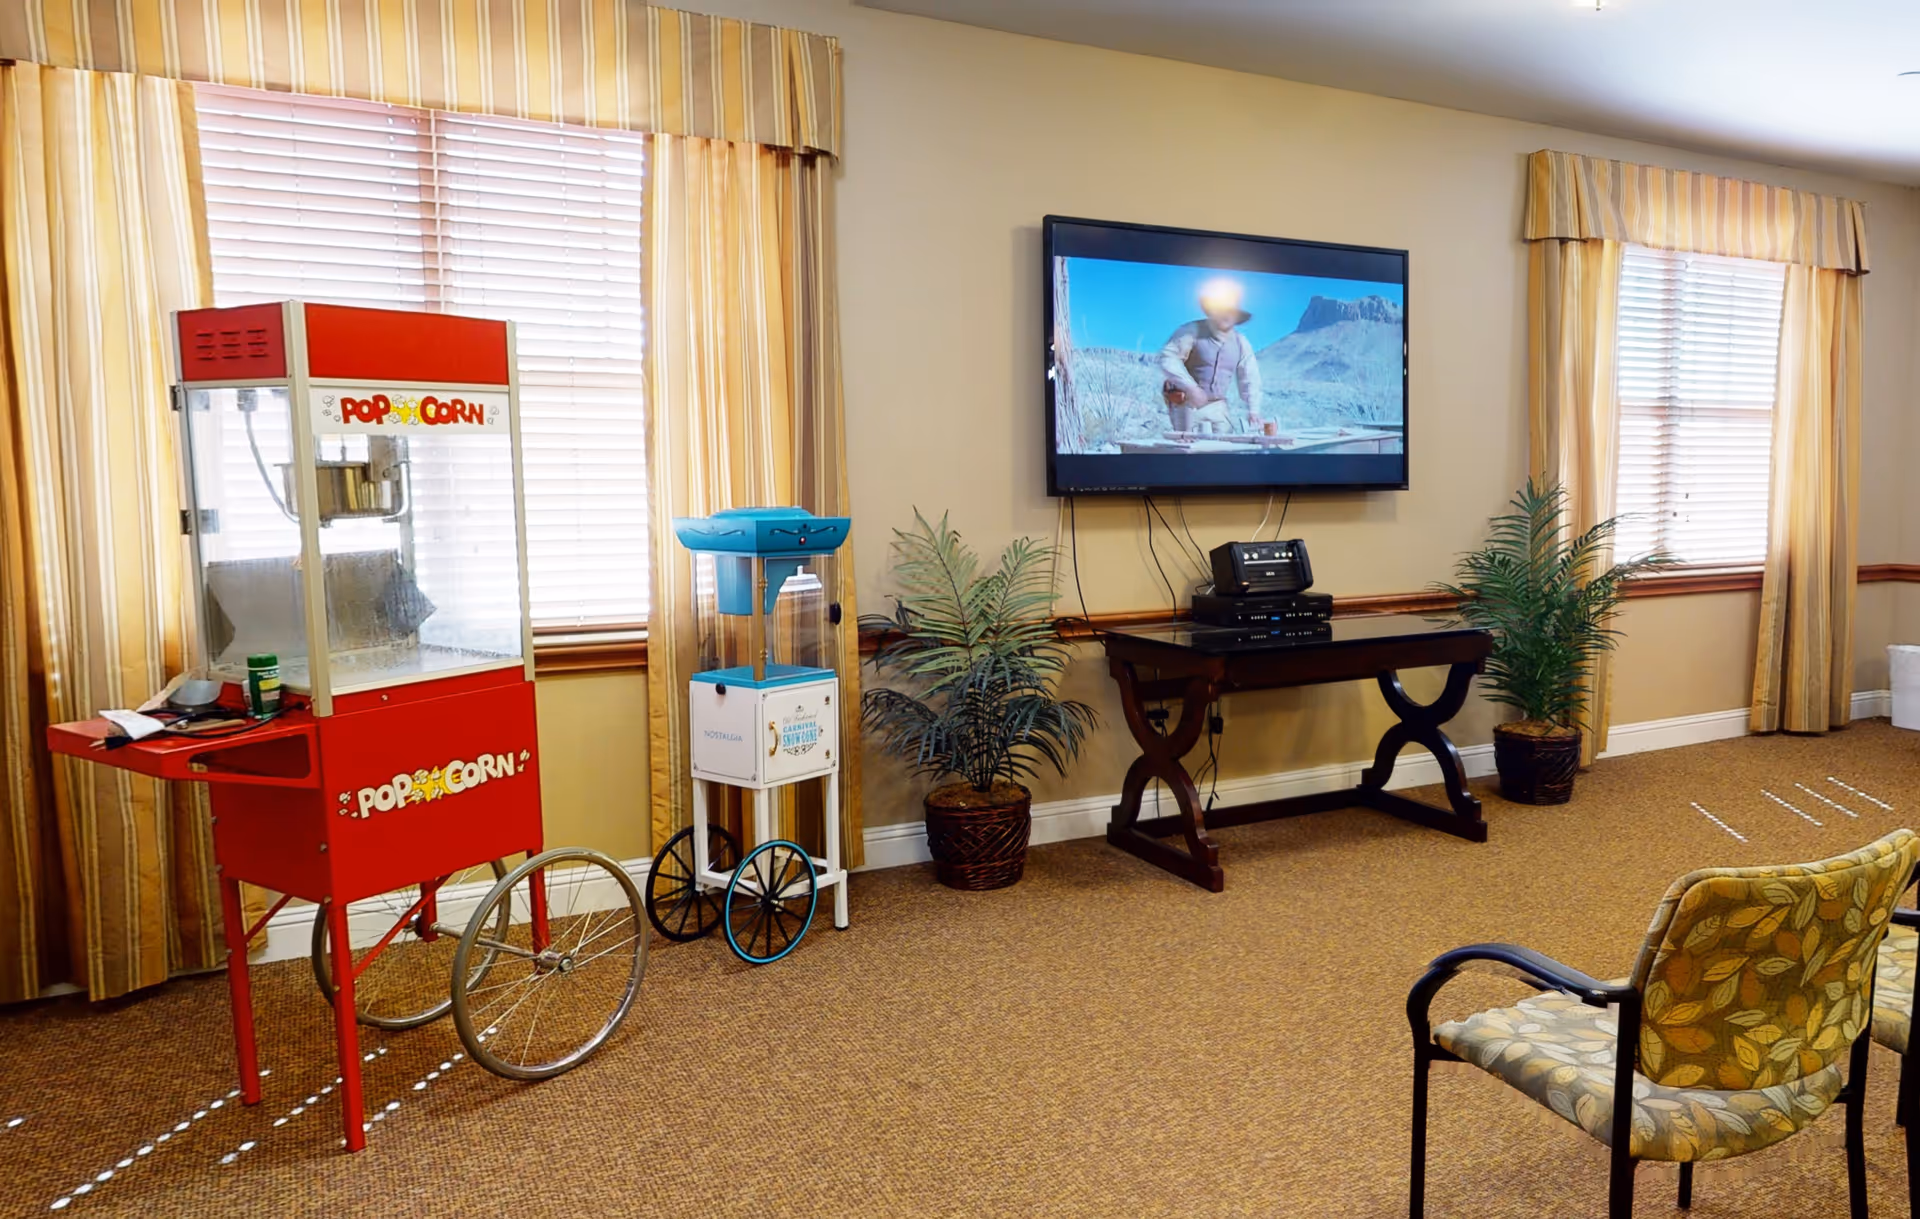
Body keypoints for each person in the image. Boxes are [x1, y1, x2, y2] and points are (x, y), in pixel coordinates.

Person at [1157, 279, 1263, 435]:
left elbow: (1250, 376)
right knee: (1188, 446)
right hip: (1187, 405)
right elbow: (1168, 358)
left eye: (1231, 312)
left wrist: (1253, 410)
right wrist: (1191, 387)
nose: (1226, 315)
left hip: (1218, 407)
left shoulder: (1241, 342)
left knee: (1223, 446)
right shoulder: (1191, 331)